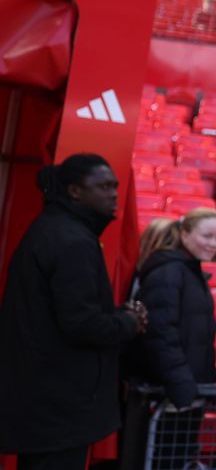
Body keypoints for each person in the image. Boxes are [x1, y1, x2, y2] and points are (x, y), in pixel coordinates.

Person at [0, 155, 147, 469]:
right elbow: (80, 324)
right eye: (104, 186)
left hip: (44, 398)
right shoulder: (73, 241)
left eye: (115, 186)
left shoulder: (53, 229)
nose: (113, 194)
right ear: (75, 191)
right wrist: (128, 322)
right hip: (58, 402)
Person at [127, 208, 216, 469]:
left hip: (186, 393)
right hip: (174, 395)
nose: (214, 244)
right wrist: (182, 386)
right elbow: (160, 333)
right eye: (207, 236)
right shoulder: (170, 272)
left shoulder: (188, 272)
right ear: (184, 234)